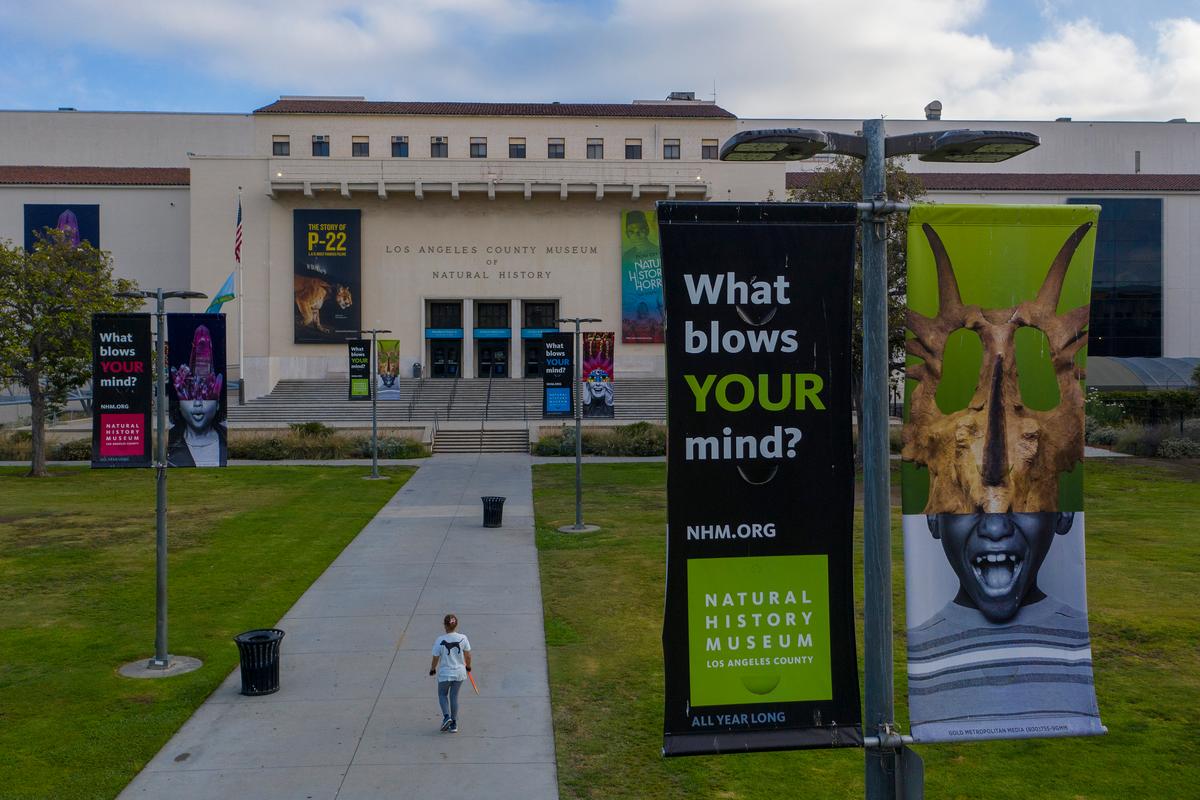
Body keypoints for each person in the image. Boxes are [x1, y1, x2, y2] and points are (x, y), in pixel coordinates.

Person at [907, 511, 1101, 735]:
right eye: (965, 500)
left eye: (1024, 498)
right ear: (933, 517)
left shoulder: (1078, 646)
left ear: (1063, 514)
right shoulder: (918, 653)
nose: (996, 529)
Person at [166, 324, 226, 467]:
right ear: (179, 404)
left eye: (205, 398)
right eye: (191, 397)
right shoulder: (173, 442)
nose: (197, 404)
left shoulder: (223, 438)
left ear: (218, 404)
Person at [429, 613, 472, 733]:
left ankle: (446, 717)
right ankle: (454, 724)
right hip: (459, 673)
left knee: (442, 695)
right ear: (456, 625)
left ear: (445, 625)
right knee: (454, 696)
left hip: (445, 673)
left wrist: (433, 669)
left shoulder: (440, 640)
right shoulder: (463, 637)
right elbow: (467, 655)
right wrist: (468, 667)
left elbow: (435, 657)